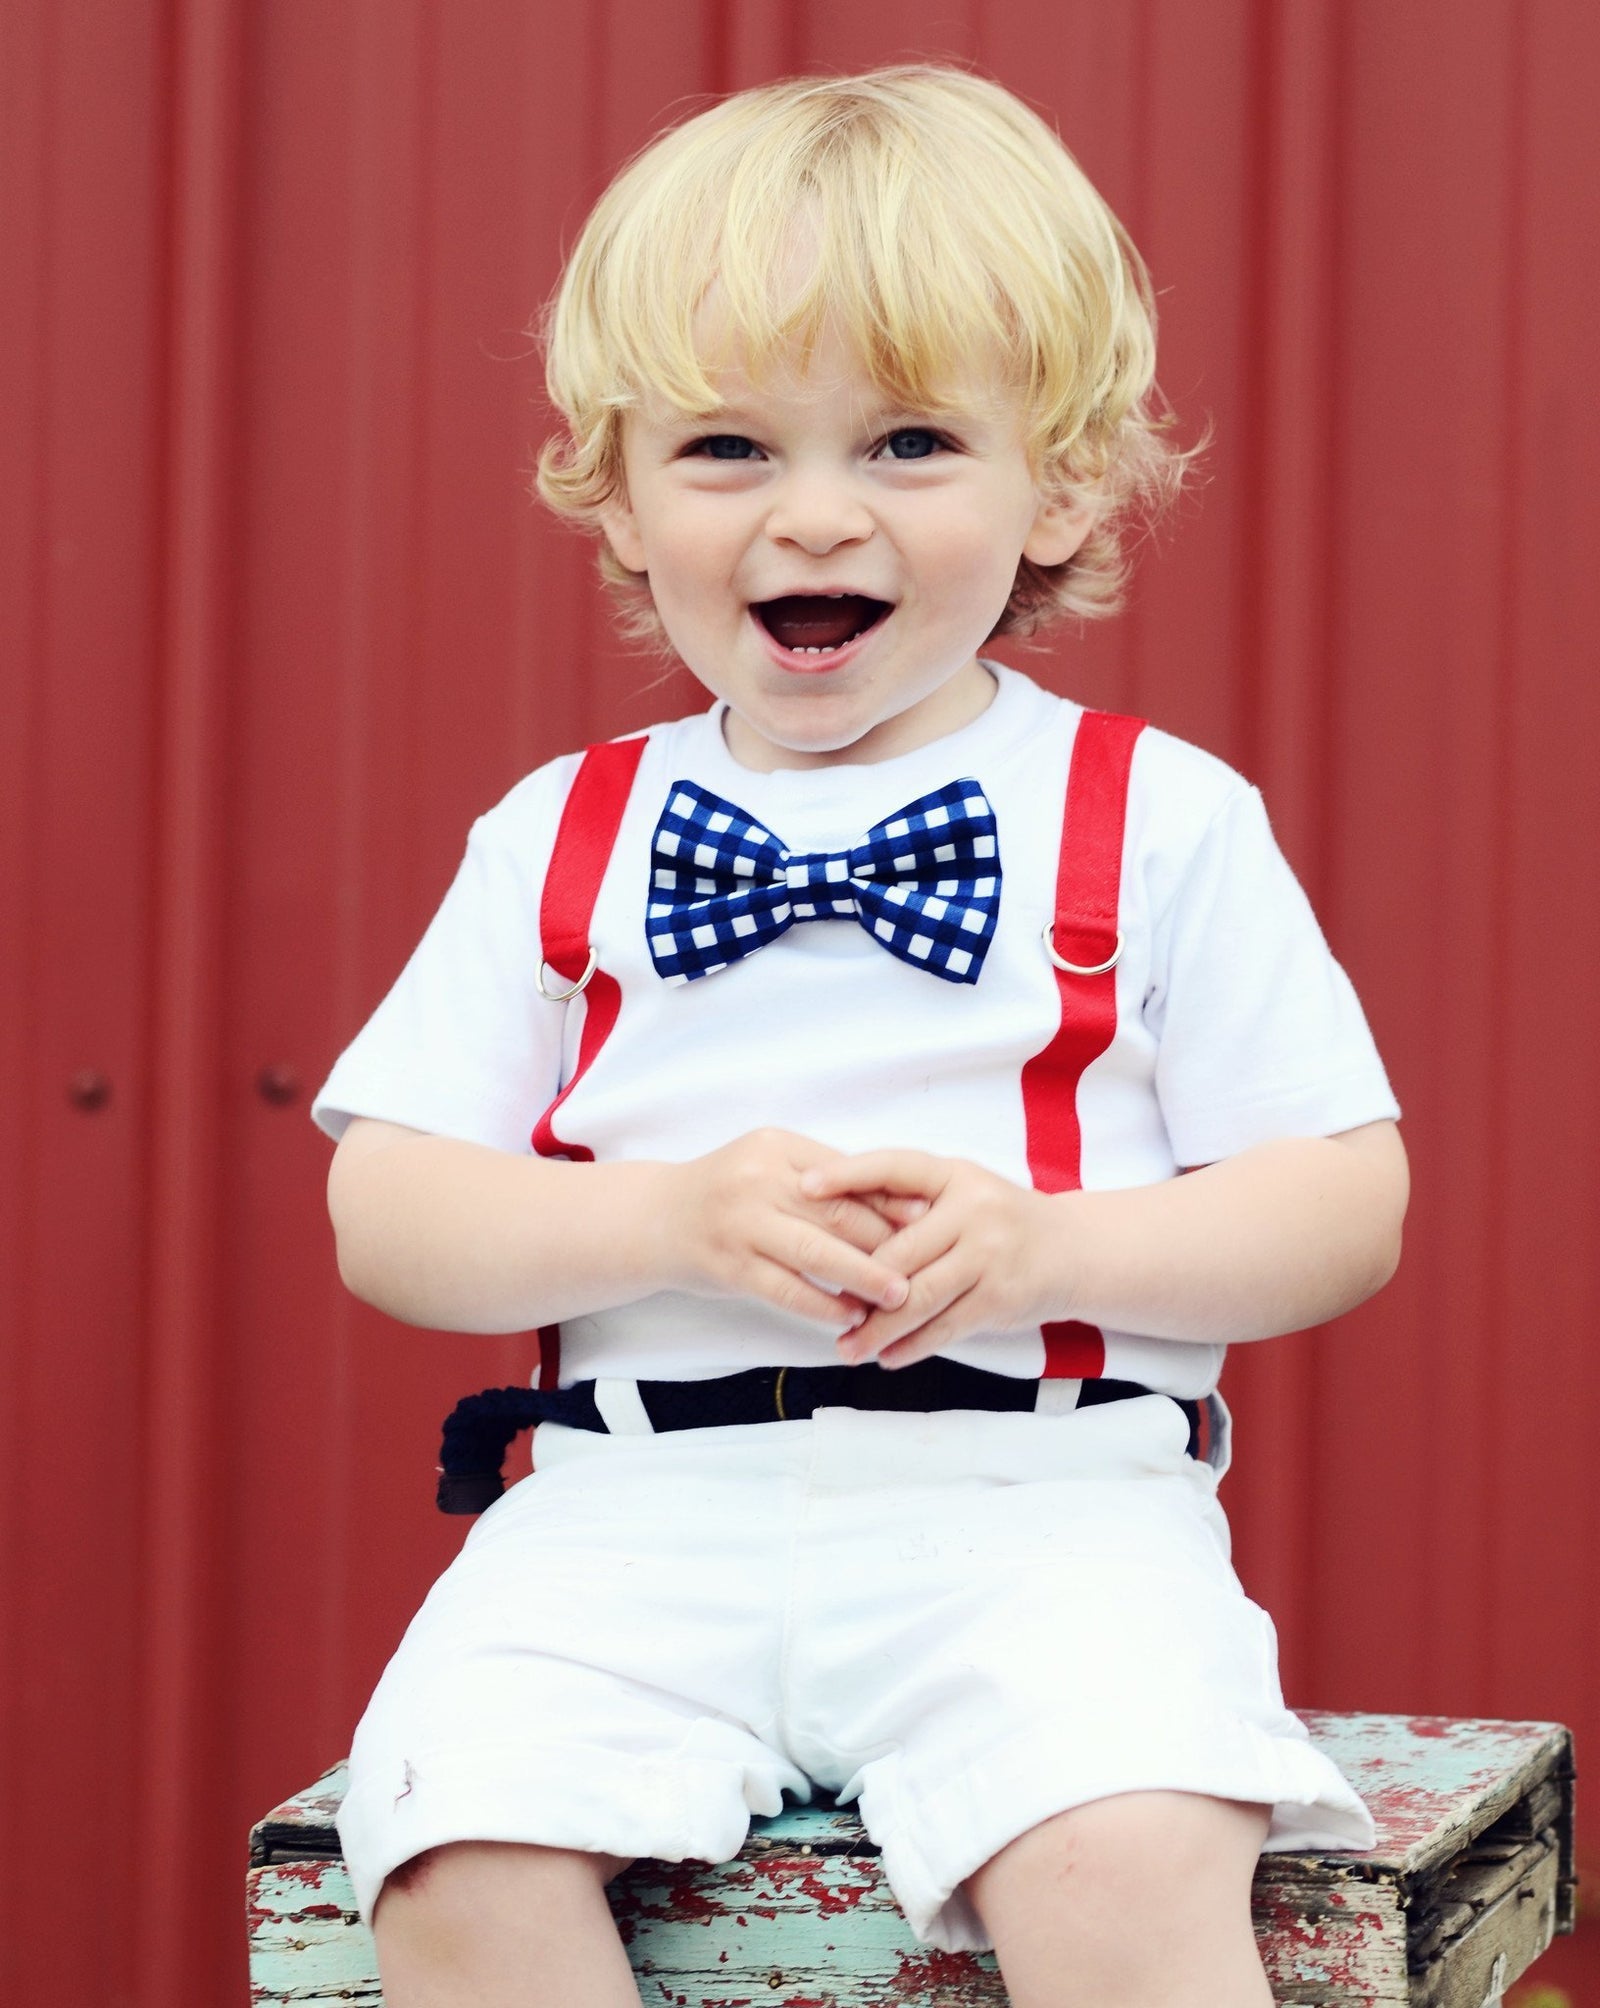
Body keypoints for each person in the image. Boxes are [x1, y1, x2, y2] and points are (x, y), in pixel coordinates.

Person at [311, 64, 1409, 2008]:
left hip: (1040, 1503)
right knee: (445, 1851)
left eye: (907, 440)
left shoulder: (1148, 816)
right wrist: (656, 1220)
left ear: (1056, 480)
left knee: (1127, 1846)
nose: (813, 511)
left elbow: (1337, 1200)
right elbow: (387, 1203)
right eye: (727, 447)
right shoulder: (563, 829)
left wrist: (1056, 1243)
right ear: (618, 487)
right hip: (623, 1508)